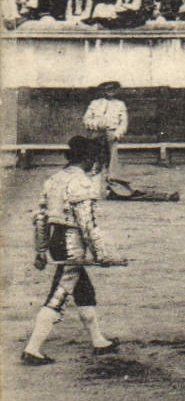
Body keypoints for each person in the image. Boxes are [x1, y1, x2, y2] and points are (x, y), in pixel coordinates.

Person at [22, 136, 125, 364]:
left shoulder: (53, 180)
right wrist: (101, 255)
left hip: (55, 242)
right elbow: (87, 226)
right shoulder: (81, 183)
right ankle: (32, 349)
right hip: (71, 246)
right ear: (88, 159)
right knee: (60, 293)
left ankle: (99, 340)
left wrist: (40, 250)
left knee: (83, 290)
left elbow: (40, 217)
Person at [82, 80, 127, 190]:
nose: (110, 91)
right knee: (95, 159)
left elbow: (124, 122)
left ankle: (111, 187)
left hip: (111, 134)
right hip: (96, 134)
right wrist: (96, 124)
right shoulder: (95, 103)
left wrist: (116, 134)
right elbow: (86, 119)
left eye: (113, 89)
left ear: (116, 90)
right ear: (103, 90)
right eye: (108, 89)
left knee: (111, 161)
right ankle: (92, 185)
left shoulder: (120, 104)